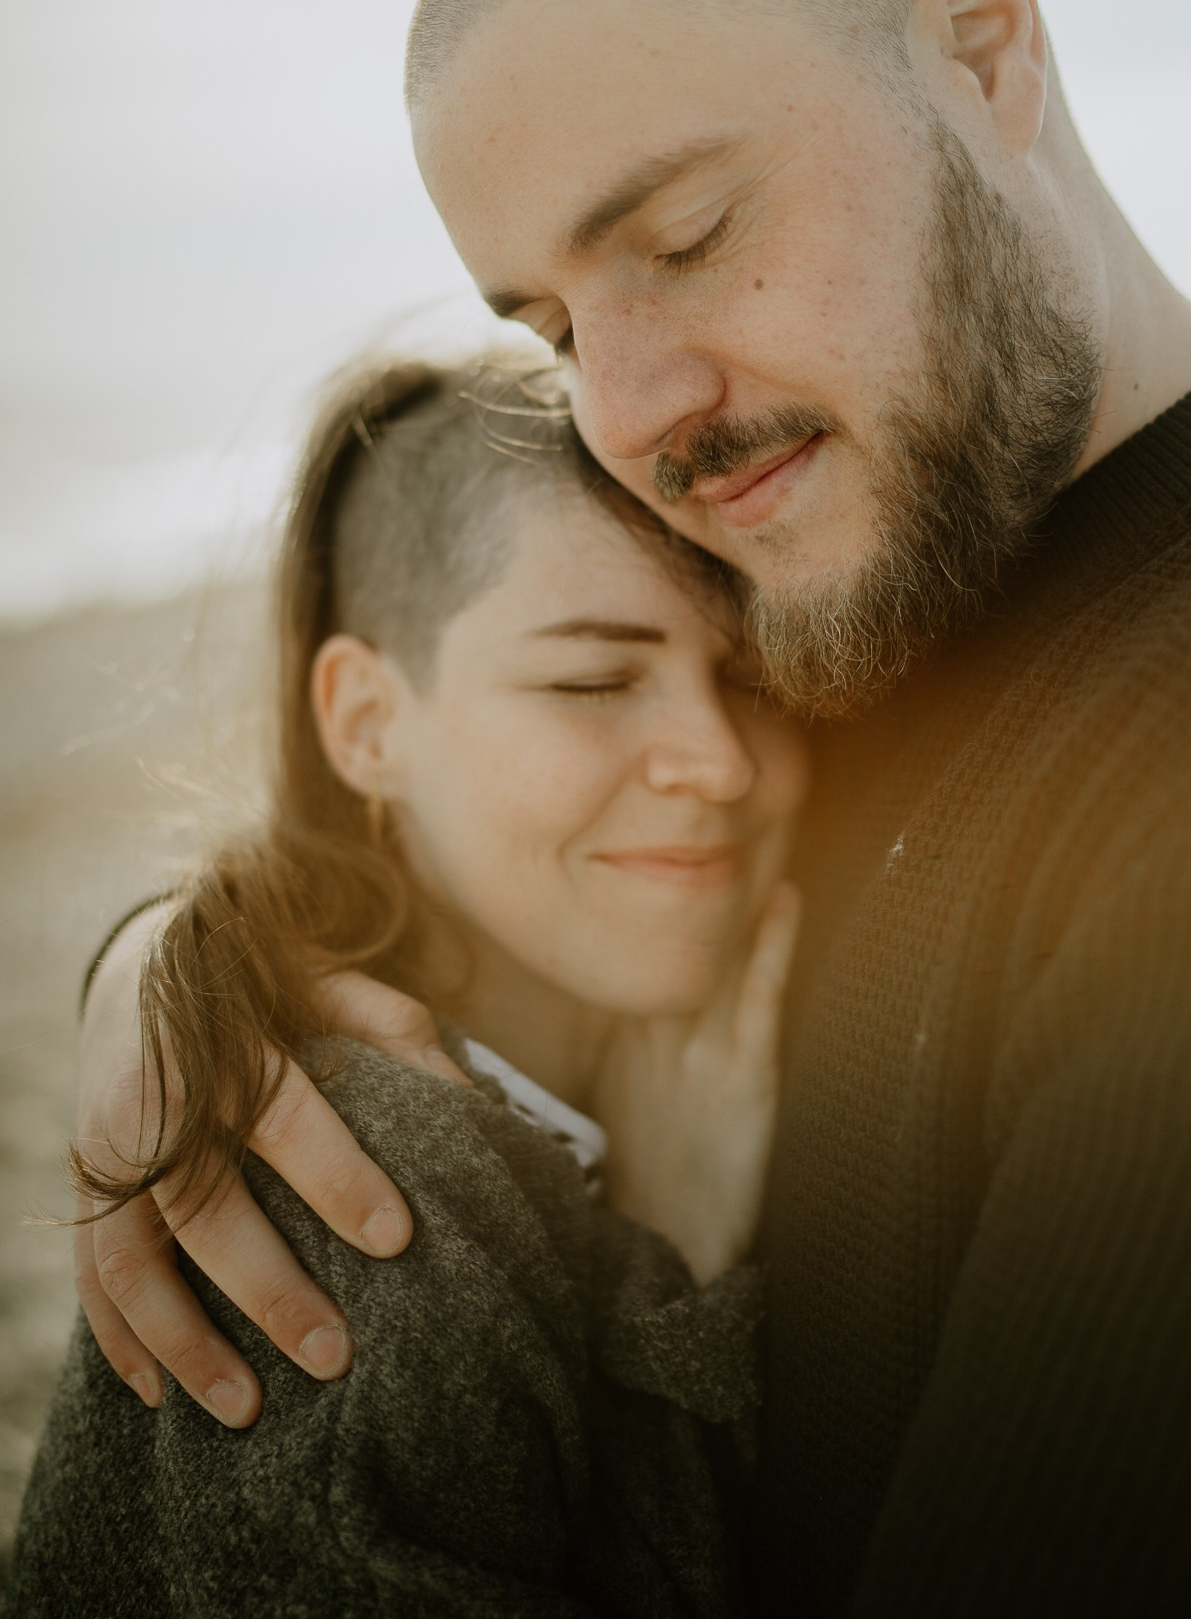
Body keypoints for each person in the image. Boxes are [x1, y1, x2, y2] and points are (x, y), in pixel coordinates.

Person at [71, 0, 1191, 1614]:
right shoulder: (869, 579)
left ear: (985, 44)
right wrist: (181, 963)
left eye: (689, 235)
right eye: (551, 322)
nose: (627, 416)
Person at [9, 352, 808, 1615]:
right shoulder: (361, 1200)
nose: (718, 760)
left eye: (757, 679)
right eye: (593, 681)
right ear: (367, 722)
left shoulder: (594, 1065)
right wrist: (678, 1278)